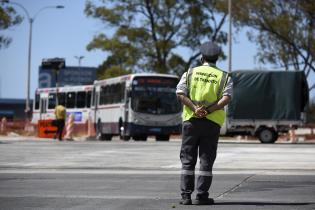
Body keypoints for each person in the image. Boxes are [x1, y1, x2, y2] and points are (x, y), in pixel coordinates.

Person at [176, 41, 233, 205]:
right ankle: (202, 196)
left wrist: (195, 108)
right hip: (211, 123)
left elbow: (180, 93)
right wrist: (208, 110)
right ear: (217, 58)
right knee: (206, 159)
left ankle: (186, 196)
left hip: (190, 122)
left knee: (188, 158)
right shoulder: (224, 76)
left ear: (202, 57)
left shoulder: (190, 73)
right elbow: (226, 98)